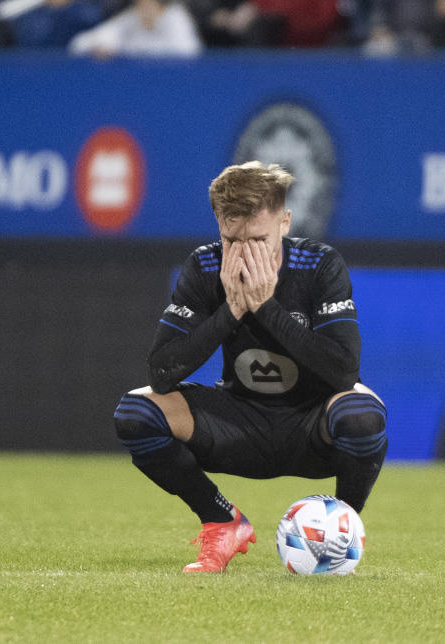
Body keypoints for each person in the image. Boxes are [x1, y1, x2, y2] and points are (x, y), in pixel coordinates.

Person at [113, 162, 387, 573]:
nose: (244, 254)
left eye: (259, 239)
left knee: (362, 415)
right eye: (232, 240)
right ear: (219, 227)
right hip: (239, 422)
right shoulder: (206, 267)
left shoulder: (319, 266)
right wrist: (234, 309)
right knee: (135, 413)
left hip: (311, 425)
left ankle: (340, 527)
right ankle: (221, 521)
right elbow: (162, 373)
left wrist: (265, 307)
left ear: (285, 222)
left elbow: (344, 371)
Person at [67, 0, 202, 58]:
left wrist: (125, 51)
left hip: (173, 85)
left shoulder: (176, 17)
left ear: (161, 6)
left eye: (149, 4)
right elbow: (78, 44)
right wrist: (99, 47)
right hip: (136, 86)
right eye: (140, 3)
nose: (144, 8)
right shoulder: (132, 17)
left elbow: (188, 51)